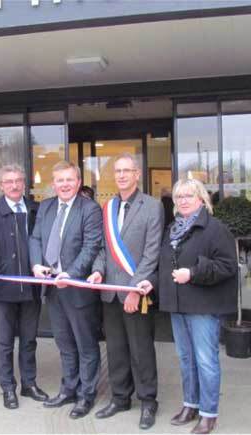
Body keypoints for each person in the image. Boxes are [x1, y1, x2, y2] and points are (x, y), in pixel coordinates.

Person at [154, 178, 237, 434]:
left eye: (189, 196)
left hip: (203, 305)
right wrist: (152, 286)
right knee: (186, 358)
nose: (183, 201)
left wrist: (193, 273)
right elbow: (165, 265)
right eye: (179, 197)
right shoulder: (172, 229)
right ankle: (190, 404)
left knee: (205, 360)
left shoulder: (215, 228)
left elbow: (227, 266)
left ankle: (208, 413)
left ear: (201, 199)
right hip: (179, 305)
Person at [87, 153, 163, 430]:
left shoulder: (152, 206)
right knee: (116, 349)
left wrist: (134, 291)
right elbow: (103, 251)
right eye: (117, 171)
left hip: (136, 293)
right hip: (109, 293)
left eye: (126, 171)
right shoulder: (107, 208)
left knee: (141, 350)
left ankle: (148, 401)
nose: (121, 175)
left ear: (137, 174)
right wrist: (97, 270)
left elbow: (152, 253)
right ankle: (120, 398)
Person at [29, 160, 103, 419]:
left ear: (78, 182)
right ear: (53, 183)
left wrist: (70, 274)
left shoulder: (90, 209)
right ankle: (68, 389)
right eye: (60, 180)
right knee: (64, 344)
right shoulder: (47, 206)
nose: (64, 184)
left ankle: (86, 395)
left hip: (76, 287)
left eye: (69, 179)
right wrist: (36, 264)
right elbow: (36, 237)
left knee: (85, 345)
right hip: (52, 288)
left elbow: (92, 245)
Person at [0, 164, 48, 410]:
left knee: (29, 340)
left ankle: (29, 384)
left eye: (18, 180)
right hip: (4, 288)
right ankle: (9, 387)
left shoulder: (35, 209)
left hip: (30, 289)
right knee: (5, 341)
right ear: (1, 186)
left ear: (24, 183)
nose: (15, 185)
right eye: (9, 182)